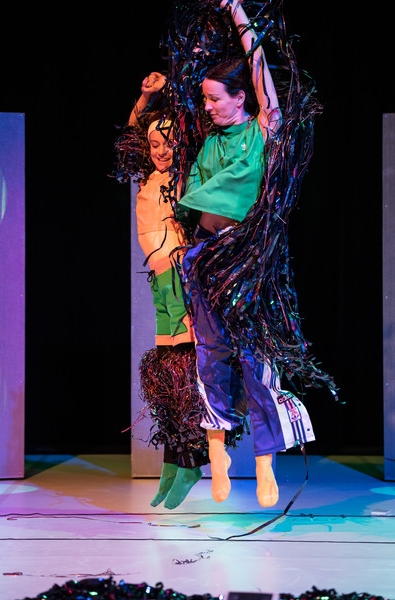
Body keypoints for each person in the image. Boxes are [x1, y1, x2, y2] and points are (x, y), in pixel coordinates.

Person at [175, 0, 321, 508]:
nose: (208, 107)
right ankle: (216, 452)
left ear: (241, 99)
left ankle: (264, 461)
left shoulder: (262, 132)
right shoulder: (208, 146)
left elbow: (261, 75)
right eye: (205, 99)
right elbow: (193, 202)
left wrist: (238, 14)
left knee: (256, 359)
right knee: (211, 354)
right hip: (205, 256)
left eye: (215, 99)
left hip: (247, 262)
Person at [123, 72, 209, 509]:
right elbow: (133, 134)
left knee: (182, 367)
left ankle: (191, 457)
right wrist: (145, 97)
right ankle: (173, 458)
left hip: (180, 275)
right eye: (155, 144)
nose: (160, 150)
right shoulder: (147, 174)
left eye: (168, 143)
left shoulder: (184, 176)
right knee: (164, 368)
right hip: (159, 280)